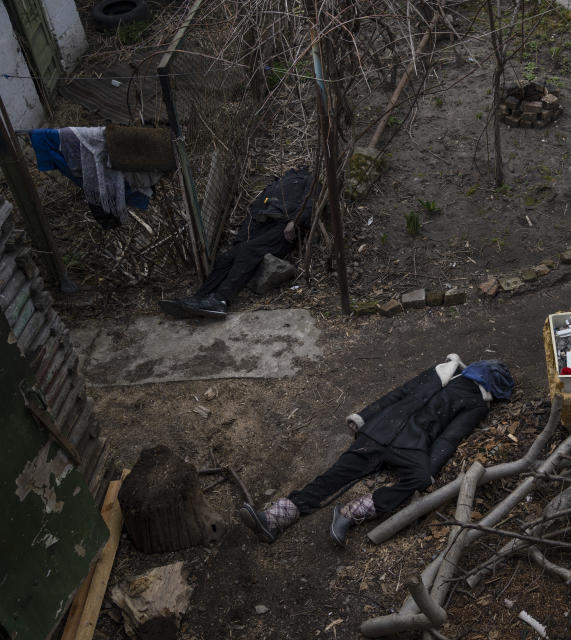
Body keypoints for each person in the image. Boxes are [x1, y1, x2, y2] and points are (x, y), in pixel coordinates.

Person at [239, 355, 514, 545]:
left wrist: (430, 468)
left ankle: (349, 514)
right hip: (381, 432)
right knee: (338, 474)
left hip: (410, 444)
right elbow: (400, 395)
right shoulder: (442, 370)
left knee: (416, 478)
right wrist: (364, 417)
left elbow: (449, 437)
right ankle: (272, 520)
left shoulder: (476, 402)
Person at [159, 167, 316, 319]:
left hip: (283, 227)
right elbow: (255, 211)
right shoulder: (275, 184)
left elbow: (311, 203)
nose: (292, 167)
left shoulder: (309, 180)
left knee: (249, 250)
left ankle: (220, 300)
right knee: (227, 257)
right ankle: (198, 299)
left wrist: (294, 222)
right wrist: (242, 238)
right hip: (262, 225)